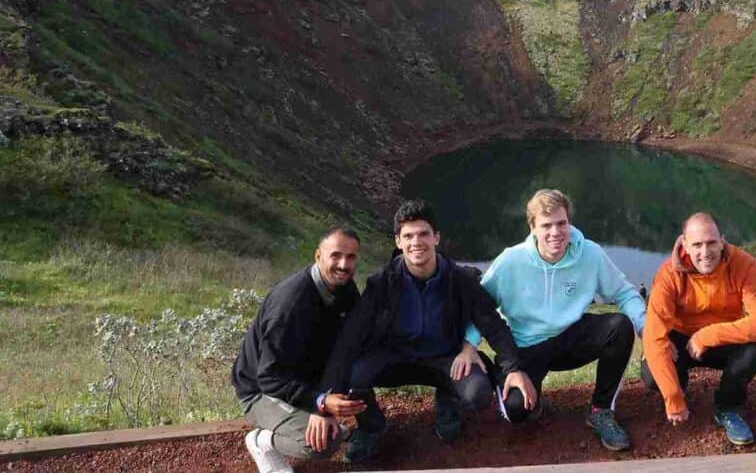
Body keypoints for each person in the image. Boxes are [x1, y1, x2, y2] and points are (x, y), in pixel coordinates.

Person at [321, 199, 535, 464]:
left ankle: (448, 399)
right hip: (394, 358)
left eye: (423, 234)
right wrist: (326, 395)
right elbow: (351, 336)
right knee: (354, 375)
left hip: (445, 359)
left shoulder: (461, 280)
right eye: (408, 236)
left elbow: (493, 324)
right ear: (398, 241)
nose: (416, 242)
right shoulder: (381, 284)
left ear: (436, 238)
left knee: (478, 393)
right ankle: (371, 425)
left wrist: (513, 368)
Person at [466, 188, 646, 451]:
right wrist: (469, 344)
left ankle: (601, 410)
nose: (555, 232)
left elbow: (623, 291)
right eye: (546, 225)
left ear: (569, 222)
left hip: (571, 338)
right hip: (526, 347)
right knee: (517, 412)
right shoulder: (510, 261)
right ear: (533, 227)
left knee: (619, 327)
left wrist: (645, 328)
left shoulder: (589, 254)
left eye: (561, 223)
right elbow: (481, 306)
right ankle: (531, 399)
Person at [231, 227, 366, 473]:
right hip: (260, 390)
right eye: (335, 255)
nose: (344, 265)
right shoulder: (291, 304)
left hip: (305, 379)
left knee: (364, 368)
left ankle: (364, 428)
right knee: (321, 445)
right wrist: (319, 403)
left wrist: (326, 399)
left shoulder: (345, 288)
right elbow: (269, 377)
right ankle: (262, 442)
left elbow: (347, 346)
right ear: (317, 256)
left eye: (351, 257)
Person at [641, 212, 756, 446]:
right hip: (681, 341)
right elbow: (653, 334)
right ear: (684, 244)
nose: (705, 253)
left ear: (722, 240)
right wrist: (672, 396)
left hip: (721, 340)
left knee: (753, 349)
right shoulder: (668, 275)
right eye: (697, 245)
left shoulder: (744, 265)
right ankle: (680, 390)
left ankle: (728, 407)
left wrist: (708, 335)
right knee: (653, 372)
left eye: (711, 243)